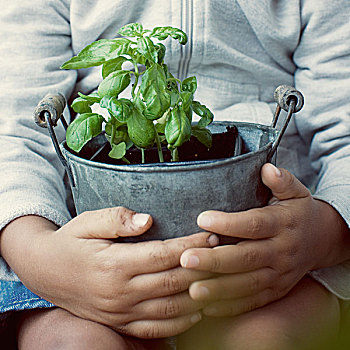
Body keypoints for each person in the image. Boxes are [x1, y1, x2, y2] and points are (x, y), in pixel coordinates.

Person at [0, 1, 350, 349]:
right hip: (85, 264)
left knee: (263, 341)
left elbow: (345, 135)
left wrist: (325, 233)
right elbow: (16, 135)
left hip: (270, 258)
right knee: (75, 345)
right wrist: (39, 254)